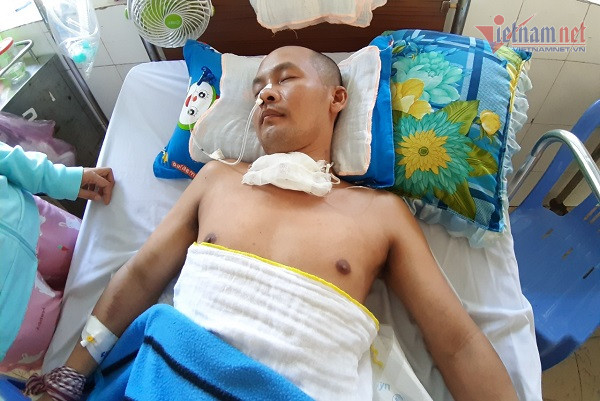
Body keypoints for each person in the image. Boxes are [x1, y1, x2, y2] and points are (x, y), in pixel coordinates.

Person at [34, 46, 518, 401]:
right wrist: (72, 373)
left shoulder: (381, 213)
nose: (266, 93)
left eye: (286, 79)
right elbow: (142, 274)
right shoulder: (216, 179)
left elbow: (458, 344)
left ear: (337, 97)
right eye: (258, 88)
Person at [0, 142, 114, 374]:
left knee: (127, 265)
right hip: (14, 321)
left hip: (36, 222)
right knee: (105, 358)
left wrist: (58, 178)